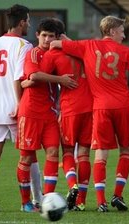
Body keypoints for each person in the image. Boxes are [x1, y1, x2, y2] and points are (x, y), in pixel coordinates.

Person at [50, 15, 129, 212]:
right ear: (111, 31)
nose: (124, 35)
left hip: (100, 106)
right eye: (121, 31)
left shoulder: (87, 45)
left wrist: (60, 42)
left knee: (101, 154)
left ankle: (100, 202)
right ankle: (117, 195)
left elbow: (57, 43)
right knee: (125, 150)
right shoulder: (125, 51)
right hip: (123, 105)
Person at [0, 4, 43, 213]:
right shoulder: (23, 45)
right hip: (16, 107)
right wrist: (19, 104)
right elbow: (18, 77)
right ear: (22, 22)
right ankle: (36, 200)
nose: (29, 23)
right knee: (29, 154)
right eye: (28, 20)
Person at [16, 17, 77, 212]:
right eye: (44, 35)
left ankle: (46, 201)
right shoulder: (33, 53)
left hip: (50, 113)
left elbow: (78, 52)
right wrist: (59, 79)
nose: (47, 39)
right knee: (26, 158)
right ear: (37, 35)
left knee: (52, 153)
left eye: (52, 36)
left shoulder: (59, 52)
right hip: (31, 112)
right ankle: (25, 202)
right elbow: (33, 76)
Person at [39, 45, 93, 211]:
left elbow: (38, 75)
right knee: (84, 154)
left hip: (70, 108)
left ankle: (73, 184)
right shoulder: (86, 49)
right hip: (90, 107)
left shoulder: (53, 54)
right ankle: (81, 202)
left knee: (68, 151)